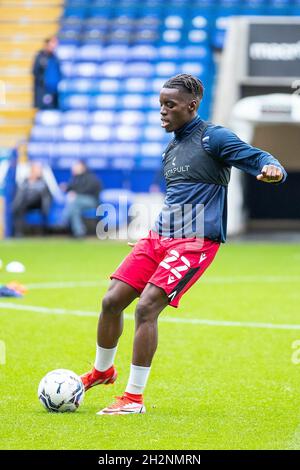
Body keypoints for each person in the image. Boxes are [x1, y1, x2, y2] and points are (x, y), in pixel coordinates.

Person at [80, 74, 287, 415]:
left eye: (170, 105)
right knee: (111, 301)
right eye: (161, 104)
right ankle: (103, 371)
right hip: (160, 235)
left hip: (195, 241)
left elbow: (256, 156)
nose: (162, 111)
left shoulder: (213, 137)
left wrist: (272, 168)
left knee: (146, 308)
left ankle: (133, 399)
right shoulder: (173, 145)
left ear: (191, 106)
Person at [61, 160, 102, 238]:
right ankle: (79, 232)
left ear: (82, 167)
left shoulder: (91, 177)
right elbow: (71, 188)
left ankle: (63, 220)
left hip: (91, 201)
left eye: (76, 167)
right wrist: (66, 187)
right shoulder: (75, 178)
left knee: (74, 200)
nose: (74, 169)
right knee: (75, 209)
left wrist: (75, 194)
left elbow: (89, 189)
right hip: (77, 202)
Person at [12, 161, 52, 237]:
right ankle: (18, 232)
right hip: (26, 203)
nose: (39, 172)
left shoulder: (43, 182)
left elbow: (47, 196)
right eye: (37, 170)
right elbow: (20, 194)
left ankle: (44, 233)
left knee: (44, 212)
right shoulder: (25, 181)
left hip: (39, 203)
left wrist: (46, 205)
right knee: (18, 208)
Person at [32, 36, 61, 110]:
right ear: (47, 44)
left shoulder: (55, 58)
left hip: (54, 91)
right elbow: (35, 72)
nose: (54, 46)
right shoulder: (40, 57)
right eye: (53, 43)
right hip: (43, 91)